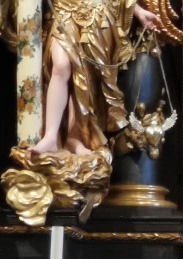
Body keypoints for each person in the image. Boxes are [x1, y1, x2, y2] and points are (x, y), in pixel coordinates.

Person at [31, 0, 158, 155]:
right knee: (61, 65)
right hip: (64, 12)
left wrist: (138, 11)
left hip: (97, 18)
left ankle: (75, 138)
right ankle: (50, 136)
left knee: (85, 80)